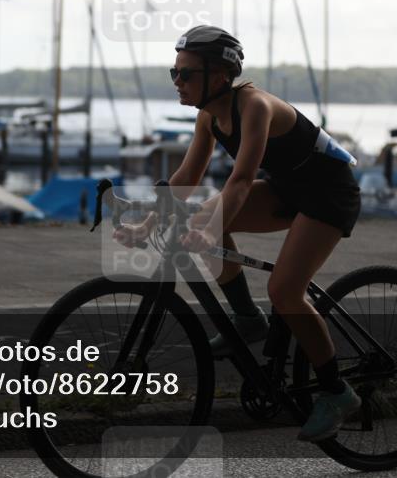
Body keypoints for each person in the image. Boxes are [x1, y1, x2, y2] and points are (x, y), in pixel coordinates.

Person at [113, 25, 362, 442]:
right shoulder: (210, 118)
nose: (178, 82)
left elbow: (242, 179)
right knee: (198, 218)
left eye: (186, 74)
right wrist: (147, 225)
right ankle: (248, 319)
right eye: (173, 73)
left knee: (285, 291)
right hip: (288, 188)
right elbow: (186, 178)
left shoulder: (255, 107)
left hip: (329, 194)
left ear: (219, 75)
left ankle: (337, 391)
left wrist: (212, 226)